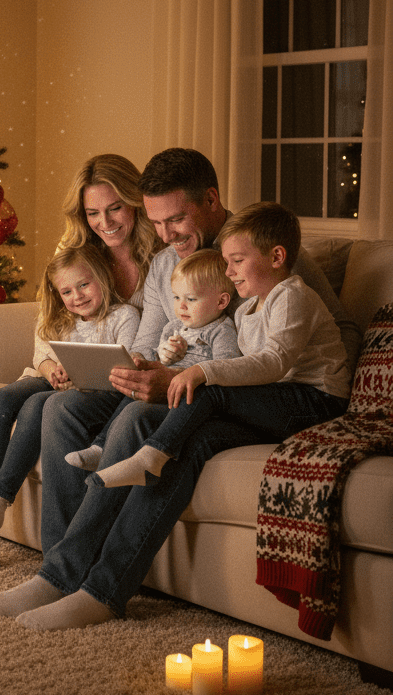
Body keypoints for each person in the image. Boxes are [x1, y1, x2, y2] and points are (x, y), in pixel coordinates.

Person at [0, 148, 360, 631]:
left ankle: (98, 588)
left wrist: (325, 389)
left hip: (272, 396)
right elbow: (155, 339)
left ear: (212, 201)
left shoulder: (263, 252)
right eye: (157, 223)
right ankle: (61, 573)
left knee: (152, 428)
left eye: (177, 219)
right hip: (193, 389)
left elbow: (337, 331)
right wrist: (142, 368)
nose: (167, 235)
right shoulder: (165, 264)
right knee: (65, 409)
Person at [93, 203, 349, 488]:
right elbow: (247, 367)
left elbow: (274, 362)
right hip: (279, 401)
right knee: (202, 436)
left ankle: (151, 455)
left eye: (237, 261)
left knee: (211, 390)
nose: (228, 272)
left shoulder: (291, 296)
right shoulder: (245, 309)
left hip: (319, 402)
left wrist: (203, 371)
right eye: (227, 262)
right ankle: (138, 506)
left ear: (277, 257)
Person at [0, 244, 140, 555]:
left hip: (89, 390)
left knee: (36, 406)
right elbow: (41, 356)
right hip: (50, 382)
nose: (76, 297)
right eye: (67, 291)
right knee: (2, 399)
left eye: (84, 285)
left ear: (102, 278)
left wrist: (77, 376)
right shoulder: (59, 317)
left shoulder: (124, 316)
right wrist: (51, 369)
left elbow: (125, 364)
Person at [66, 248, 239, 474]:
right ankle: (100, 446)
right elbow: (158, 359)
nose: (181, 306)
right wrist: (164, 355)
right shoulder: (172, 327)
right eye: (176, 297)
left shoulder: (221, 331)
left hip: (190, 397)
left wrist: (187, 370)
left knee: (136, 410)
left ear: (221, 301)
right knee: (132, 396)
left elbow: (226, 367)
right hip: (163, 389)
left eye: (191, 299)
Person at [58, 154, 162, 306]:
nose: (105, 223)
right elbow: (52, 319)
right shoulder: (71, 249)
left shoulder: (164, 247)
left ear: (135, 201)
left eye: (115, 208)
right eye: (93, 213)